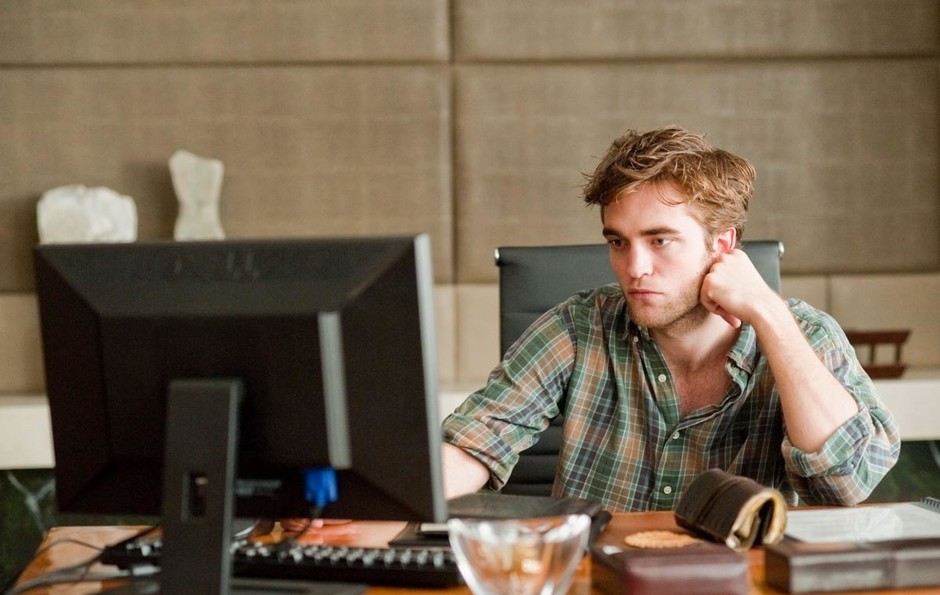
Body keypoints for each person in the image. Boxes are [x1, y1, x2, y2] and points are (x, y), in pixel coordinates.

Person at [441, 125, 900, 510]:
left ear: (722, 245)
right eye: (618, 242)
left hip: (737, 576)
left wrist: (769, 315)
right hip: (596, 573)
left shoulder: (804, 335)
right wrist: (405, 499)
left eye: (660, 240)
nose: (634, 267)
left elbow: (846, 484)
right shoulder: (577, 328)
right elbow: (472, 446)